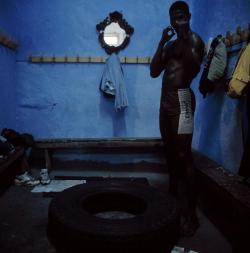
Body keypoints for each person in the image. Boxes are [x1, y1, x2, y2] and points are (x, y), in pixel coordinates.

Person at [150, 1, 205, 236]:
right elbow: (154, 71)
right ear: (170, 19)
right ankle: (173, 197)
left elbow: (193, 68)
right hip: (165, 104)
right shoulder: (171, 45)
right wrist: (162, 42)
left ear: (189, 16)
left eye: (182, 16)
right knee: (170, 151)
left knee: (184, 155)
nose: (178, 19)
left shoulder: (194, 41)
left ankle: (191, 215)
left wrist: (184, 34)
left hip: (182, 101)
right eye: (174, 17)